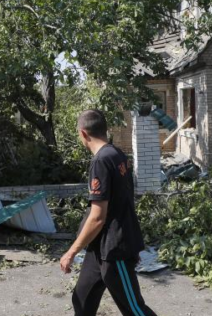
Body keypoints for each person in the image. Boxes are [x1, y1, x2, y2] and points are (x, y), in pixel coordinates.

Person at [60, 109, 158, 316]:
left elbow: (98, 217)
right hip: (99, 247)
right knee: (82, 299)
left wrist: (71, 252)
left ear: (83, 134)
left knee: (135, 310)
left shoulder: (101, 161)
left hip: (115, 249)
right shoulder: (117, 154)